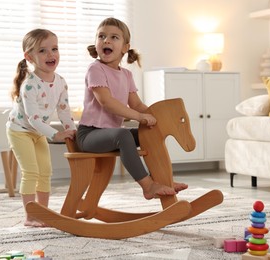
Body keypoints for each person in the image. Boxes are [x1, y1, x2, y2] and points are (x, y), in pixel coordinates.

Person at [77, 17, 188, 200]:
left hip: (110, 134)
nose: (106, 40)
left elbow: (136, 104)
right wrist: (138, 116)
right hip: (89, 135)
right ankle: (148, 186)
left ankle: (164, 180)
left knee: (150, 133)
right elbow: (107, 102)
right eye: (101, 36)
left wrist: (156, 118)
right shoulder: (95, 69)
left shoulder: (126, 75)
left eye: (114, 37)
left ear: (125, 47)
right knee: (123, 135)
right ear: (96, 43)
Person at [7, 29, 76, 227]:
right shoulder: (30, 85)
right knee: (31, 172)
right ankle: (30, 216)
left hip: (38, 132)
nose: (51, 54)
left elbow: (64, 111)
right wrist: (56, 135)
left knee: (45, 171)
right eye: (43, 51)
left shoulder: (61, 82)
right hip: (20, 131)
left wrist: (71, 131)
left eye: (54, 49)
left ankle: (42, 212)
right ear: (29, 57)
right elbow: (34, 118)